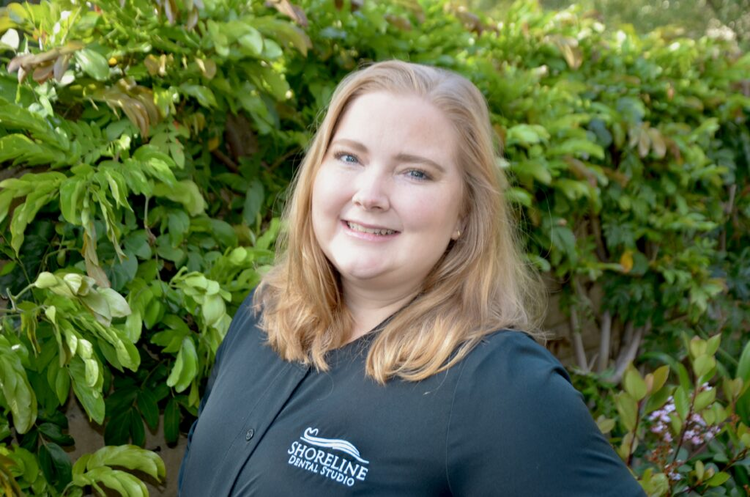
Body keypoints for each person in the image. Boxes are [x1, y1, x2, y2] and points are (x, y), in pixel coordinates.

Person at [178, 60, 645, 496]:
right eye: (349, 158)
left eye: (416, 173)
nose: (370, 194)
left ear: (465, 213)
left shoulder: (503, 387)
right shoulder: (265, 313)